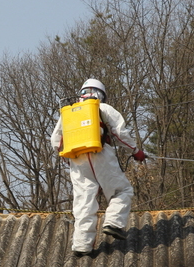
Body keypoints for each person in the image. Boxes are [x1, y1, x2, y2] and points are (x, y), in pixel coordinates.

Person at [50, 79, 146, 256]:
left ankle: (81, 245)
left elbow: (55, 141)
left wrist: (68, 160)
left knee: (84, 202)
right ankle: (113, 223)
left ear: (81, 93)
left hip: (77, 160)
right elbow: (120, 133)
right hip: (101, 153)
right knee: (121, 190)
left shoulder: (68, 113)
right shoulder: (103, 108)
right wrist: (135, 151)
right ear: (101, 95)